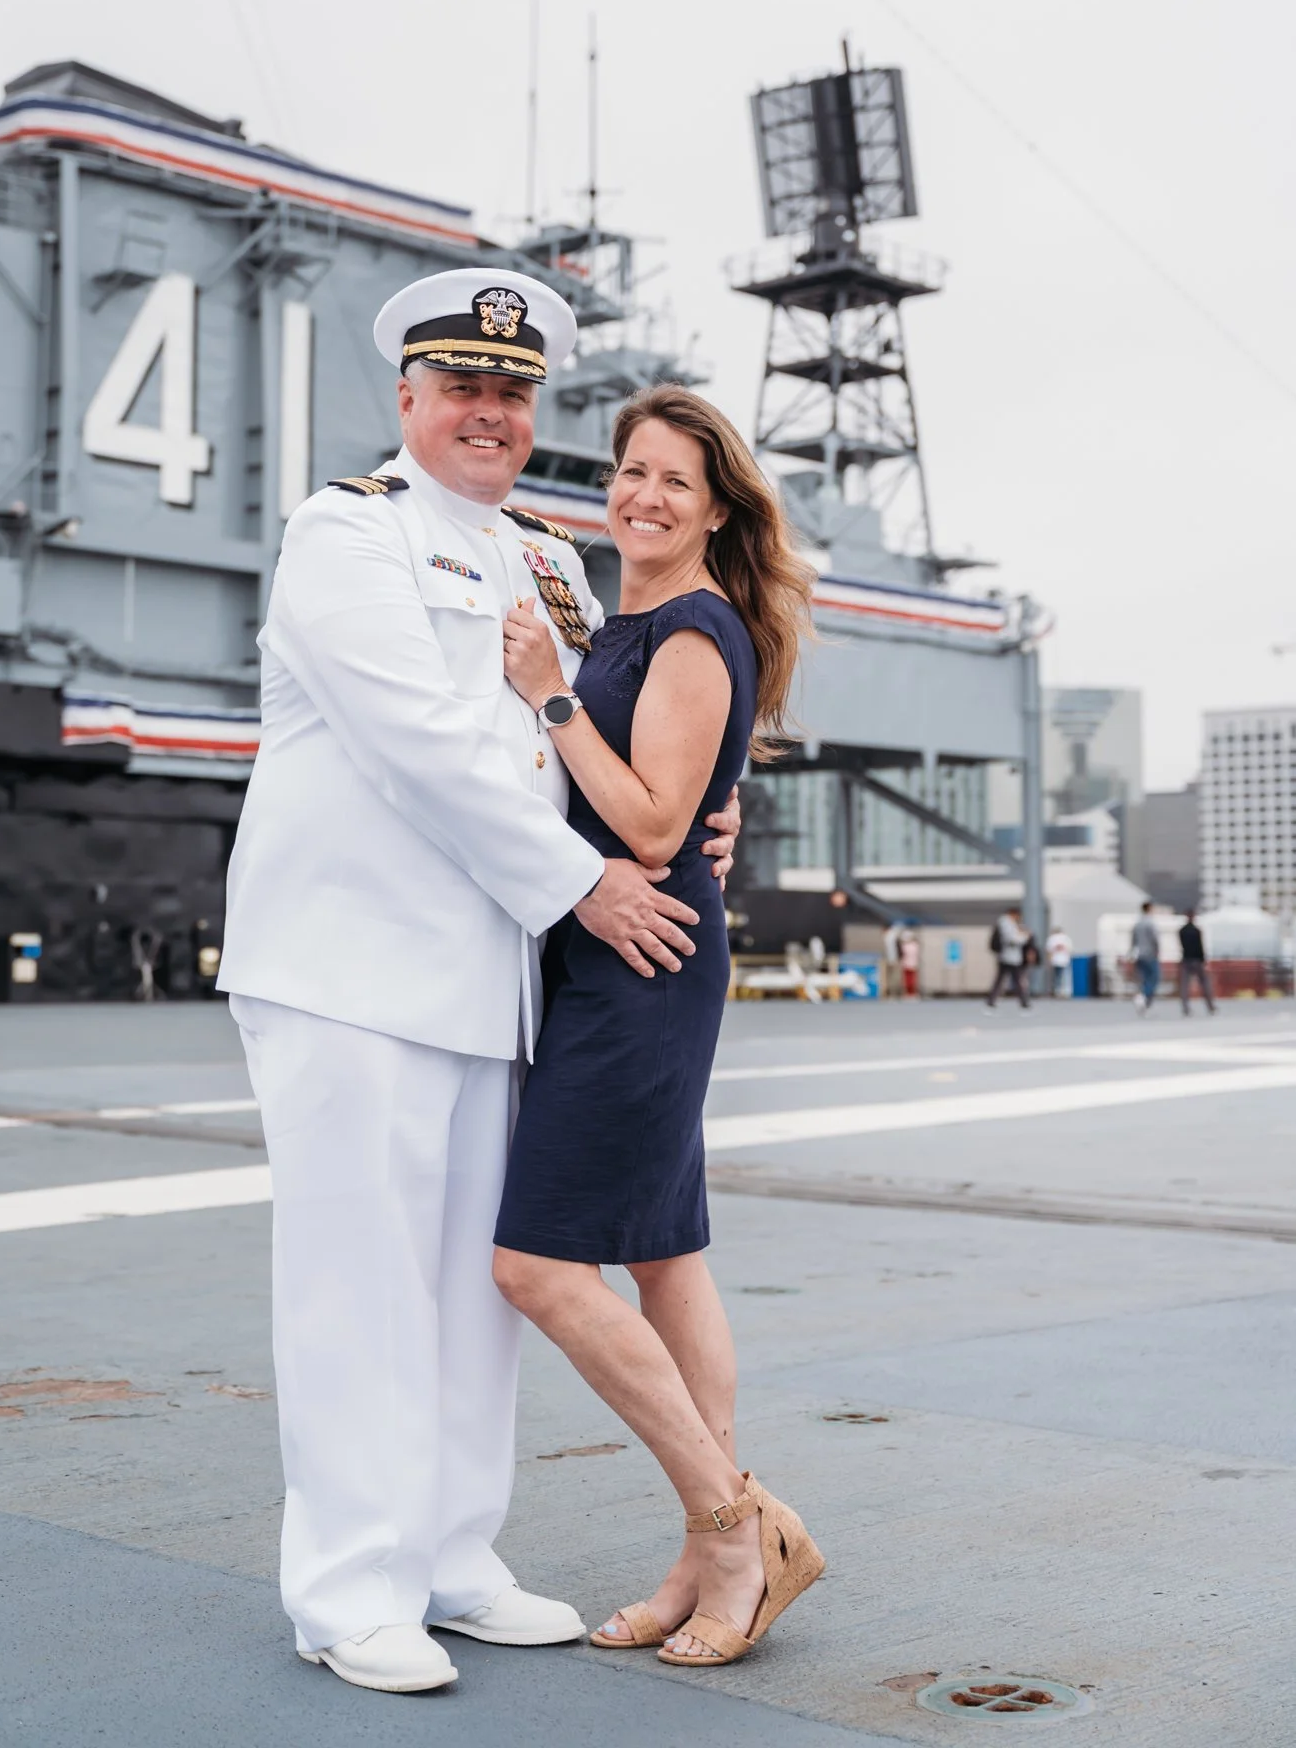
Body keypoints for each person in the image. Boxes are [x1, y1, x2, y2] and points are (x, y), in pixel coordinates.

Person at [217, 270, 739, 1696]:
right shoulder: (348, 534)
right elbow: (419, 746)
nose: (489, 413)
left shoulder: (551, 565)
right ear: (408, 400)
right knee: (357, 1285)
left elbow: (600, 735)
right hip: (350, 967)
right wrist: (589, 884)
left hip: (494, 980)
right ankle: (349, 1587)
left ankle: (451, 1558)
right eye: (463, 387)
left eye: (512, 393)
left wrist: (699, 813)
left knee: (470, 1295)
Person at [492, 385, 825, 1673]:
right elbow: (686, 800)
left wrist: (548, 696)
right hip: (605, 958)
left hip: (644, 966)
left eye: (675, 480)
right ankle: (708, 1557)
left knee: (535, 1266)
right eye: (631, 471)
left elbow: (649, 826)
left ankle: (733, 1527)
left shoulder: (692, 628)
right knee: (666, 1260)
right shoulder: (625, 620)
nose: (642, 494)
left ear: (716, 507)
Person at [985, 909, 1030, 1011]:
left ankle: (992, 999)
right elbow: (1012, 939)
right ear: (1013, 914)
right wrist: (1024, 937)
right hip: (1010, 957)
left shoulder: (1004, 923)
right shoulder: (1007, 924)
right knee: (1016, 980)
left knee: (1001, 979)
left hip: (1006, 956)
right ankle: (1023, 1001)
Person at [1178, 911, 1216, 1016]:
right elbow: (1200, 946)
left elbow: (1181, 945)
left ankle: (1185, 1008)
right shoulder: (1196, 931)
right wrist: (1203, 960)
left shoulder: (1182, 931)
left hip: (1186, 959)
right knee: (1204, 983)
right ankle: (1210, 1006)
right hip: (1197, 959)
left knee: (1185, 985)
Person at [1129, 900, 1161, 1013]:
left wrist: (1131, 953)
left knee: (1143, 979)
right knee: (1154, 978)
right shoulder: (1150, 923)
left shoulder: (1137, 923)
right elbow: (1155, 939)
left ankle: (1142, 998)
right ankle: (1145, 998)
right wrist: (1158, 951)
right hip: (1150, 954)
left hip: (1139, 954)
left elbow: (1133, 940)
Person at [1046, 923, 1073, 999]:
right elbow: (1070, 949)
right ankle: (1065, 992)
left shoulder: (1052, 938)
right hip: (1064, 960)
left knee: (1057, 977)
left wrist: (1049, 960)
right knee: (1065, 977)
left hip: (1056, 960)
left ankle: (1057, 991)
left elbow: (1049, 950)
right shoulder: (1066, 938)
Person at [897, 925, 921, 999]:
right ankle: (911, 993)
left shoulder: (905, 946)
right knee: (911, 979)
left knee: (909, 980)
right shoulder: (916, 945)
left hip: (907, 964)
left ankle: (910, 993)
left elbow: (903, 954)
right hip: (912, 964)